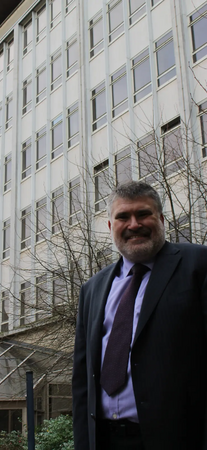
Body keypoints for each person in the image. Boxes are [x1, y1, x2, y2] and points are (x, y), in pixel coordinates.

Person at [72, 181, 207, 450]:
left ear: (161, 219)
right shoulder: (92, 289)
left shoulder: (199, 265)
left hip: (178, 439)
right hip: (105, 440)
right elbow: (82, 380)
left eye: (143, 214)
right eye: (123, 217)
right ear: (111, 227)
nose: (134, 224)